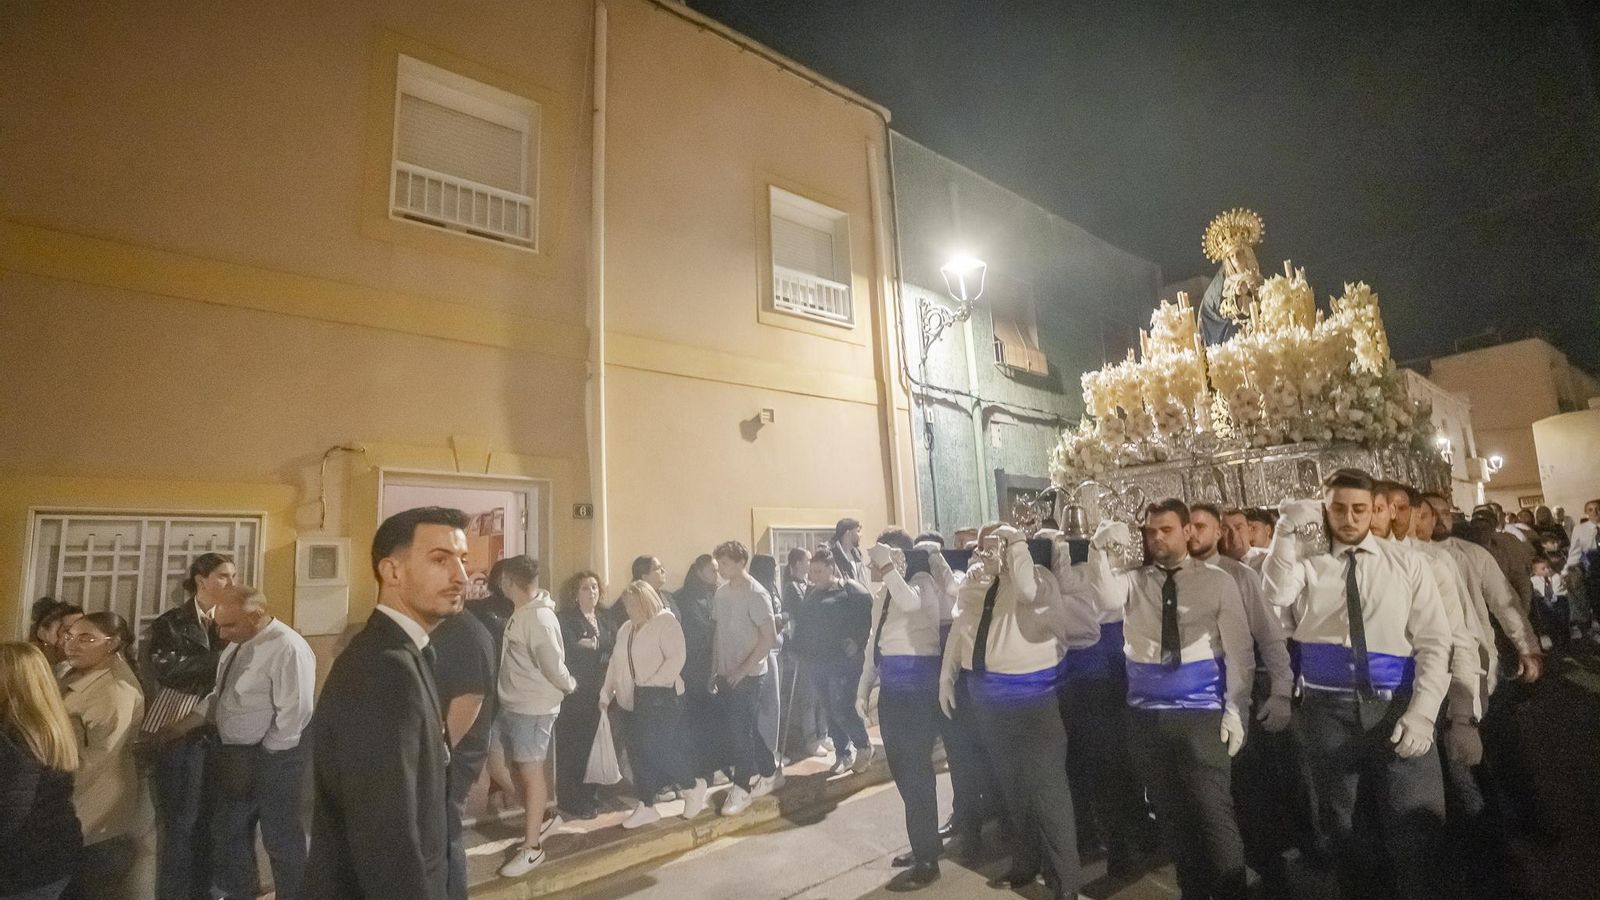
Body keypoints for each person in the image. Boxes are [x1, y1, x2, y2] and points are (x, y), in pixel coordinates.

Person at [1263, 469, 1452, 899]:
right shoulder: (1307, 564)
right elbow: (1274, 592)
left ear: (1374, 510)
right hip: (1327, 710)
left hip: (1396, 707)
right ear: (1324, 508)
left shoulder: (1407, 563)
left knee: (1416, 825)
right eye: (1338, 508)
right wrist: (1285, 532)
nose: (1348, 518)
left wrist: (1423, 713)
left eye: (1359, 509)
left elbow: (1435, 642)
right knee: (1344, 829)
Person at [1087, 502, 1253, 900]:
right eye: (1151, 532)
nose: (1157, 538)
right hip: (1147, 716)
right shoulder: (1133, 580)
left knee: (1214, 814)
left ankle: (1232, 893)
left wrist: (1236, 709)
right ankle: (1192, 890)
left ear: (1186, 532)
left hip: (1201, 715)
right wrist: (1097, 551)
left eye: (1166, 530)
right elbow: (1106, 599)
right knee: (1173, 815)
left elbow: (1239, 651)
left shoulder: (1215, 581)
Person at [305, 507, 463, 899]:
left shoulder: (410, 653)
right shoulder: (382, 669)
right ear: (391, 571)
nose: (461, 576)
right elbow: (384, 836)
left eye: (463, 560)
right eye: (441, 560)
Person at [941, 524, 1081, 899]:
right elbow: (962, 627)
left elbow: (1028, 590)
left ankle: (1065, 882)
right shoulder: (983, 585)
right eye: (985, 548)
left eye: (996, 546)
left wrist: (1017, 546)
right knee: (1013, 791)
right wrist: (946, 675)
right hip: (988, 700)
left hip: (1032, 702)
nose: (988, 554)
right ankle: (1026, 862)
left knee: (1048, 794)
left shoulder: (1039, 578)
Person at [158, 586, 315, 900]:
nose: (222, 632)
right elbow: (223, 696)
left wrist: (268, 755)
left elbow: (295, 711)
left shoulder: (287, 647)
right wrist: (184, 724)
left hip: (275, 756)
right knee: (229, 832)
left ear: (256, 615)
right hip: (236, 755)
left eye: (230, 625)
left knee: (280, 839)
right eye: (220, 624)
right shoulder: (237, 644)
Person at [1187, 502, 1300, 892]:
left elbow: (1269, 637)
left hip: (1233, 701)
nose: (1193, 534)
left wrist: (1281, 691)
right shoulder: (1174, 577)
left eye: (1201, 526)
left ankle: (1271, 877)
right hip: (1191, 708)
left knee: (1250, 798)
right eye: (1188, 526)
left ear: (1217, 531)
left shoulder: (1239, 575)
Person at [854, 539, 947, 886]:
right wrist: (863, 687)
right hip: (892, 688)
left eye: (883, 559)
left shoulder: (922, 583)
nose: (876, 567)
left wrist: (891, 568)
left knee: (917, 772)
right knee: (904, 772)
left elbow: (911, 605)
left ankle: (927, 859)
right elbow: (872, 643)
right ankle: (926, 842)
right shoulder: (884, 593)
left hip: (917, 690)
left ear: (898, 556)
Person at [143, 552, 233, 900]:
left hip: (221, 733)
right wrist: (227, 659)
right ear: (201, 580)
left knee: (215, 821)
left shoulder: (231, 619)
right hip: (181, 733)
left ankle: (206, 892)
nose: (231, 583)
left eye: (233, 576)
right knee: (180, 824)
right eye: (223, 576)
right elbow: (170, 671)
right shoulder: (172, 623)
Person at [599, 580, 708, 828]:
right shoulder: (626, 629)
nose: (629, 610)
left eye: (634, 604)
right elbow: (617, 663)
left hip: (660, 699)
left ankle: (692, 784)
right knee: (638, 754)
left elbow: (677, 657)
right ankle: (646, 803)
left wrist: (653, 683)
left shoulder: (665, 622)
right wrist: (607, 692)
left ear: (646, 601)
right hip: (630, 701)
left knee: (657, 748)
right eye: (627, 605)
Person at [494, 553, 575, 878]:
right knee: (496, 761)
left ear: (508, 582)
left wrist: (568, 684)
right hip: (514, 704)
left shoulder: (538, 619)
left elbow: (552, 665)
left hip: (533, 708)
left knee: (531, 773)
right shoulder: (523, 613)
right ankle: (539, 818)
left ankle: (532, 848)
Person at [57, 613, 144, 900]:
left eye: (86, 639)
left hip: (92, 815)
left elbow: (97, 759)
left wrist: (48, 793)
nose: (72, 645)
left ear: (114, 643)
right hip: (74, 812)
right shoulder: (71, 672)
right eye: (69, 636)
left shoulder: (114, 690)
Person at [427, 594, 497, 900]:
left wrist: (440, 749)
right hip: (450, 749)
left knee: (444, 831)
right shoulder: (456, 628)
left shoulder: (463, 633)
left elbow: (471, 698)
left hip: (455, 752)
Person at [0, 642, 83, 900]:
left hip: (22, 866)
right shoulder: (47, 726)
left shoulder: (16, 735)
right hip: (49, 860)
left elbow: (10, 812)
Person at [710, 541, 780, 816]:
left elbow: (769, 638)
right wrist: (716, 669)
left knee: (740, 731)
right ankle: (769, 771)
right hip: (726, 672)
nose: (721, 570)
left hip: (749, 674)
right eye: (719, 565)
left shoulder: (756, 593)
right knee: (743, 727)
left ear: (740, 563)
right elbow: (720, 633)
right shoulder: (721, 594)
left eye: (725, 564)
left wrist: (742, 669)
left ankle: (742, 788)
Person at [795, 547, 873, 775]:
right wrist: (798, 647)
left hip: (843, 662)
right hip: (817, 660)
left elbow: (867, 618)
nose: (814, 576)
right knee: (829, 709)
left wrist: (857, 642)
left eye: (819, 571)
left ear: (831, 568)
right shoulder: (811, 595)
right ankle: (843, 753)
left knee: (842, 707)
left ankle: (863, 745)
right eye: (812, 572)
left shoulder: (850, 591)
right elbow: (803, 625)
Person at [552, 571, 614, 820]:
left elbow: (614, 645)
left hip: (602, 690)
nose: (592, 592)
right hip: (577, 693)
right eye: (586, 588)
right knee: (574, 747)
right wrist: (596, 649)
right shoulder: (565, 619)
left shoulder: (606, 617)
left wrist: (595, 647)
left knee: (595, 744)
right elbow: (566, 650)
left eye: (595, 587)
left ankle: (591, 794)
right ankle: (571, 798)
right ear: (574, 594)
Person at [675, 555, 729, 786]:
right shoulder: (687, 598)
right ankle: (706, 769)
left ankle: (716, 765)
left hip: (715, 666)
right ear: (699, 571)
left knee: (715, 720)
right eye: (712, 570)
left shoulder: (715, 593)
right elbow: (699, 632)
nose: (717, 575)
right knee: (701, 721)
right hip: (696, 669)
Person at [778, 548, 828, 760]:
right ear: (797, 564)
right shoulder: (792, 588)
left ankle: (823, 733)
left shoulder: (808, 586)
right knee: (808, 694)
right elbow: (803, 610)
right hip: (804, 648)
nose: (810, 564)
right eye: (808, 560)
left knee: (821, 693)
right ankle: (811, 738)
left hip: (818, 646)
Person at [1530, 557, 1568, 652]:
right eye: (1543, 569)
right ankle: (1556, 643)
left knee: (1563, 623)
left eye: (1548, 567)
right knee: (1550, 624)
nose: (1547, 570)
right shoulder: (1533, 581)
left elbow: (1564, 588)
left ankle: (1566, 643)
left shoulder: (1556, 577)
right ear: (1535, 571)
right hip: (1544, 602)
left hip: (1559, 601)